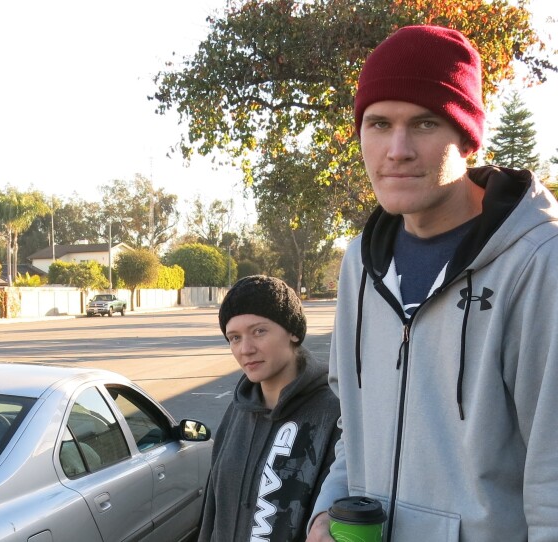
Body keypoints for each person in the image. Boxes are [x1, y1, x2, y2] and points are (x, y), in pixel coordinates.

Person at [306, 25, 558, 542]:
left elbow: (553, 476)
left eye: (423, 123)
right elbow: (355, 427)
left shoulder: (539, 263)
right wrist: (327, 510)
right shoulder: (360, 262)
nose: (396, 150)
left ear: (467, 136)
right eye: (378, 124)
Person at [199, 275, 340, 541]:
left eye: (259, 331)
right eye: (234, 337)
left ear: (293, 331)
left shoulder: (332, 413)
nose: (246, 349)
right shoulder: (237, 410)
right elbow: (213, 511)